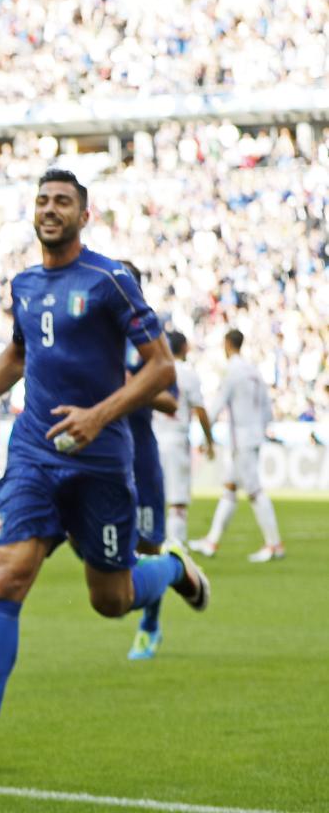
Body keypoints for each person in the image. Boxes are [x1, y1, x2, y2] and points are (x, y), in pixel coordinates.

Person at [0, 170, 208, 771]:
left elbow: (161, 369)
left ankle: (170, 567)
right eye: (42, 200)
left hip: (100, 463)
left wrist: (99, 415)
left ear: (84, 216)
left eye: (63, 201)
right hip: (33, 452)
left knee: (110, 601)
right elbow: (18, 352)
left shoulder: (110, 281)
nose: (50, 209)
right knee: (8, 571)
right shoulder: (25, 283)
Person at [117, 263, 175, 660]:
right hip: (101, 459)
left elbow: (171, 401)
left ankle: (149, 626)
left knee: (149, 546)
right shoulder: (92, 337)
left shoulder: (150, 340)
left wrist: (132, 387)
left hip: (141, 457)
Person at [190, 329, 284, 562]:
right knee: (230, 488)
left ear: (227, 344)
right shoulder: (254, 371)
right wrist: (260, 431)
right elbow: (266, 408)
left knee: (254, 491)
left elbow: (216, 405)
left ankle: (274, 545)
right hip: (252, 436)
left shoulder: (232, 371)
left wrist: (205, 435)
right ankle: (212, 541)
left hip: (241, 439)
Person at [156, 331, 215, 546]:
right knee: (177, 502)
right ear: (184, 348)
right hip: (176, 440)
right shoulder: (188, 375)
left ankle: (151, 548)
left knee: (153, 499)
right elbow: (200, 410)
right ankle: (176, 552)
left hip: (152, 441)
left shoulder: (153, 371)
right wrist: (209, 440)